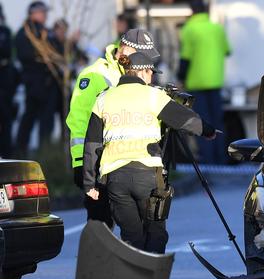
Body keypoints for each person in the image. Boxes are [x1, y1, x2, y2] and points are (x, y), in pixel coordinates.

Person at [83, 52, 217, 254]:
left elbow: (92, 143)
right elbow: (185, 119)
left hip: (115, 178)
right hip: (147, 176)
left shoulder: (103, 98)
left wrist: (89, 182)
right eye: (151, 73)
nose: (152, 78)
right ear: (143, 72)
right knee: (155, 234)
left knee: (131, 236)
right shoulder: (153, 96)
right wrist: (208, 130)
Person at [66, 29, 160, 228]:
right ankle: (97, 258)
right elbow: (80, 120)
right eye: (140, 54)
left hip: (124, 165)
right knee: (101, 223)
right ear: (125, 50)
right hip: (97, 162)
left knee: (133, 227)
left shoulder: (133, 73)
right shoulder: (96, 75)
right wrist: (81, 163)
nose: (144, 61)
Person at [178, 0, 230, 164]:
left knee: (202, 124)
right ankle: (221, 160)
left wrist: (180, 78)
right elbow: (227, 51)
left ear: (192, 11)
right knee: (217, 121)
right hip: (215, 82)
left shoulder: (189, 29)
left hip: (197, 83)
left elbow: (185, 58)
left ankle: (208, 163)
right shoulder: (217, 29)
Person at [14, 1, 59, 155]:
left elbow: (56, 50)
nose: (45, 15)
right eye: (42, 12)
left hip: (48, 84)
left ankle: (44, 152)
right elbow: (25, 55)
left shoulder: (46, 31)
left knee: (46, 121)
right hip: (33, 83)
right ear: (33, 13)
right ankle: (21, 150)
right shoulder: (24, 32)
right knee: (29, 118)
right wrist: (43, 57)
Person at [0, 4, 19, 158]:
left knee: (7, 120)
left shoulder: (5, 32)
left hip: (5, 81)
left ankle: (7, 154)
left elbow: (8, 53)